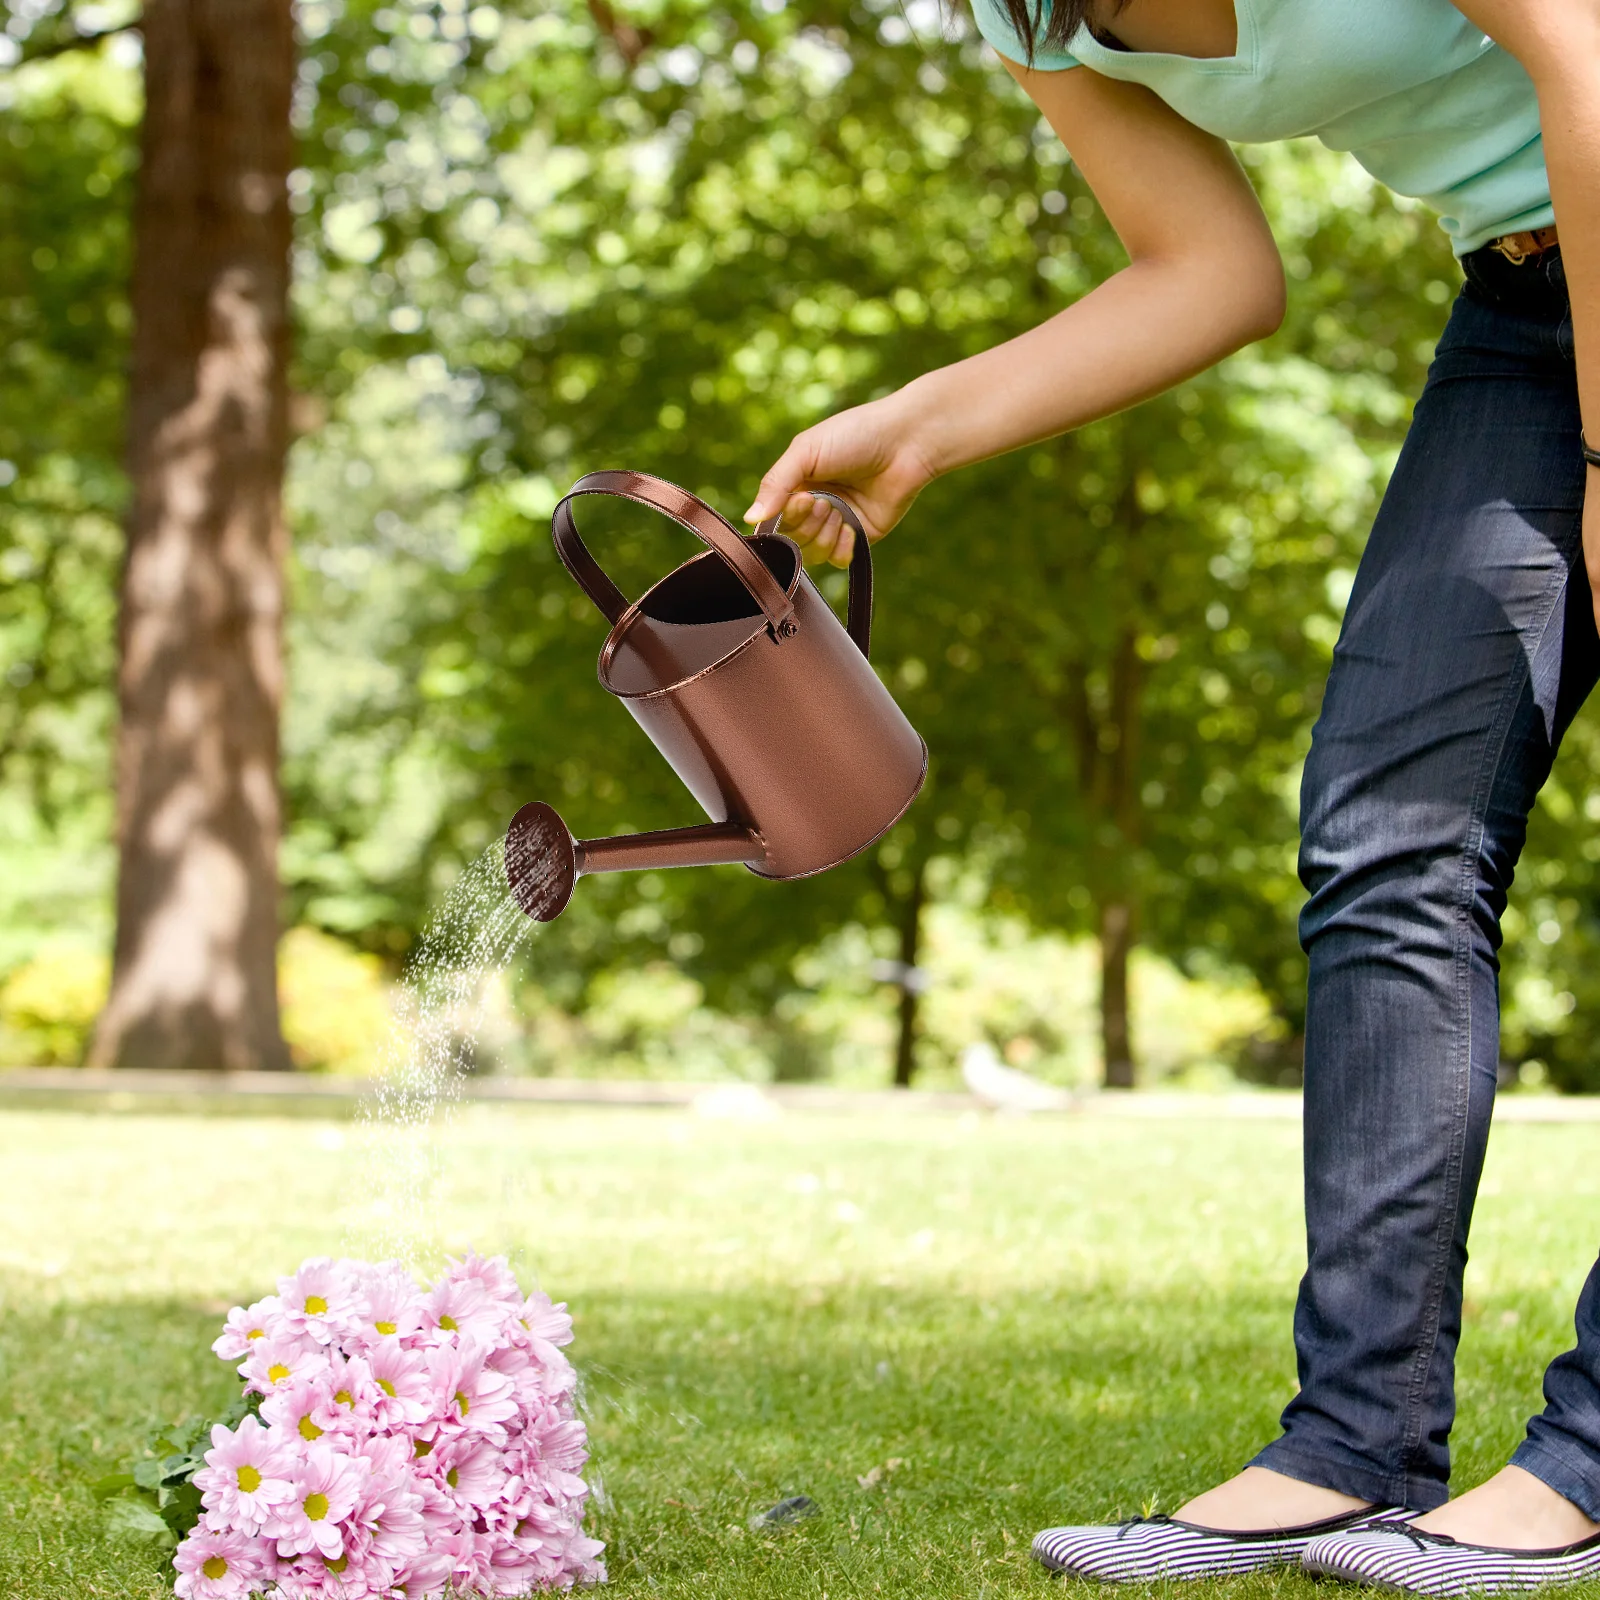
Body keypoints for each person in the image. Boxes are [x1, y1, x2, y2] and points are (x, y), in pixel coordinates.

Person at [744, 0, 1600, 1592]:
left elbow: (1585, 62)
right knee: (1388, 837)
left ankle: (1595, 1457)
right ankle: (1353, 1445)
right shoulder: (1019, 3)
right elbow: (1210, 268)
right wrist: (917, 426)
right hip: (1530, 294)